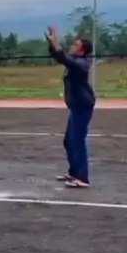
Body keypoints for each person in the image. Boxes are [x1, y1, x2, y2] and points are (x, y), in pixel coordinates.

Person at [46, 26, 96, 188]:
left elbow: (64, 58)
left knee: (77, 141)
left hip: (82, 105)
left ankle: (83, 178)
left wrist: (56, 43)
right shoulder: (75, 60)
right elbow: (59, 57)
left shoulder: (82, 63)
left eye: (76, 45)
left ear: (83, 50)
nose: (73, 47)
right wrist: (52, 43)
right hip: (76, 106)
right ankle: (74, 172)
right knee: (69, 141)